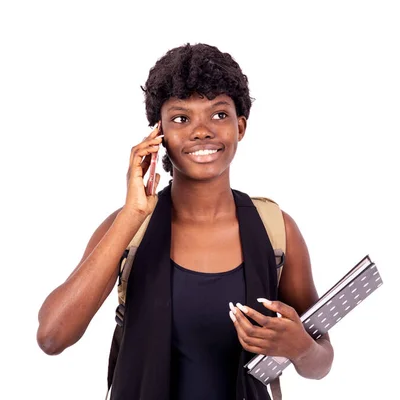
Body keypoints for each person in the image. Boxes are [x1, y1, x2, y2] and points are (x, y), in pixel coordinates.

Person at [36, 43, 334, 400]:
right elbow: (52, 337)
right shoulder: (131, 228)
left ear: (240, 126)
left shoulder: (276, 230)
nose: (202, 131)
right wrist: (132, 214)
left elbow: (321, 362)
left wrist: (299, 346)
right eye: (181, 118)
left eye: (219, 115)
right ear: (158, 133)